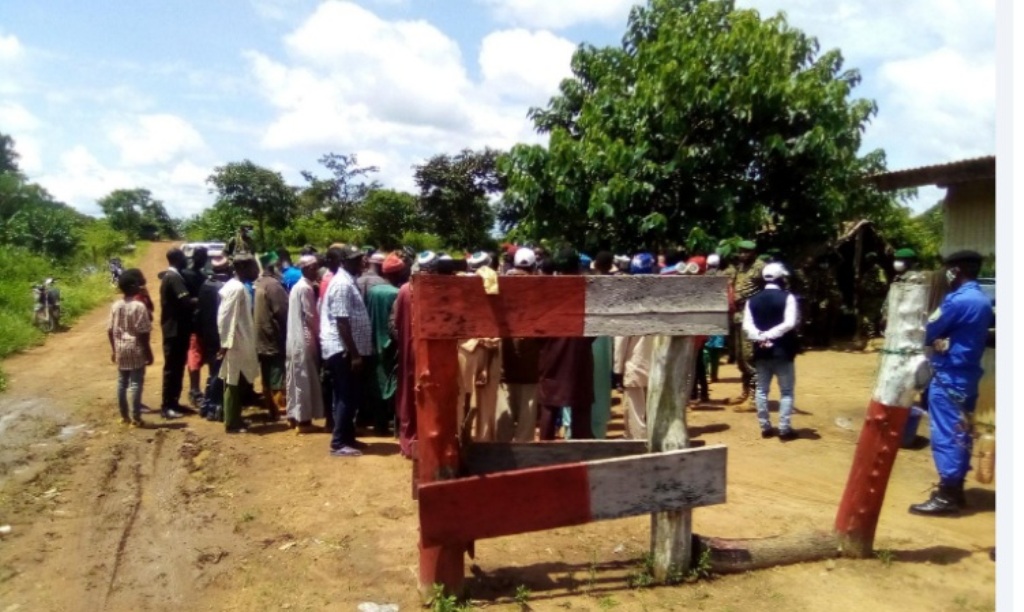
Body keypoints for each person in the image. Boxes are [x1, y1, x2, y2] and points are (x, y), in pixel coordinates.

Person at [909, 250, 994, 516]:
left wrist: (935, 339)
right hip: (967, 376)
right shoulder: (982, 300)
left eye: (947, 270)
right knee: (961, 432)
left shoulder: (957, 301)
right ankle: (955, 490)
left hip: (948, 377)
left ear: (955, 271)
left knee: (946, 434)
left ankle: (947, 495)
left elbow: (927, 332)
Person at [320, 245, 374, 457]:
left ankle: (348, 437)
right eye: (355, 259)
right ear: (344, 262)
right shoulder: (342, 284)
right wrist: (354, 354)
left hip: (348, 349)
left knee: (351, 395)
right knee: (346, 395)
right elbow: (342, 321)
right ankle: (339, 443)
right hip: (343, 350)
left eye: (360, 258)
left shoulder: (348, 280)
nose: (361, 262)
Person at [537, 248, 595, 441]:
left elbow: (536, 328)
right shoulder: (588, 289)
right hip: (580, 355)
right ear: (577, 266)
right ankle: (582, 452)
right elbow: (596, 328)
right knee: (581, 408)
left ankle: (544, 452)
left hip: (551, 354)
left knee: (549, 406)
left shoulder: (545, 291)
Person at [743, 262, 800, 440]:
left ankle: (765, 427)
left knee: (761, 390)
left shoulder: (752, 300)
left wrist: (761, 336)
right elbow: (790, 323)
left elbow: (747, 326)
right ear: (780, 278)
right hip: (783, 350)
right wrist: (771, 334)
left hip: (761, 351)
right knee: (786, 391)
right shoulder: (788, 298)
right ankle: (784, 428)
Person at [614, 253, 657, 439]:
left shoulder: (629, 302)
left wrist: (617, 369)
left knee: (636, 414)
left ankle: (638, 446)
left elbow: (621, 339)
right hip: (657, 366)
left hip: (635, 365)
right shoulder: (662, 300)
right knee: (654, 410)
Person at [217, 254, 261, 434]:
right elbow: (225, 317)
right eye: (253, 267)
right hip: (235, 341)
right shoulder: (235, 288)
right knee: (233, 380)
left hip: (242, 339)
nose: (256, 271)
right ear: (242, 268)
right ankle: (232, 421)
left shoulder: (238, 286)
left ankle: (235, 416)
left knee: (238, 379)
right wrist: (225, 343)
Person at [107, 268, 154, 427]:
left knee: (122, 383)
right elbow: (144, 332)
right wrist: (148, 352)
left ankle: (124, 416)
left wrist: (114, 350)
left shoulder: (116, 306)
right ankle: (136, 418)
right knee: (135, 384)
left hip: (120, 348)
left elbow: (109, 330)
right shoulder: (139, 306)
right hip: (136, 348)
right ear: (133, 286)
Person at [365, 253, 405, 436]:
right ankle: (396, 426)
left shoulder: (372, 292)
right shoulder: (395, 294)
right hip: (391, 345)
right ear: (397, 273)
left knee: (376, 383)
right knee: (394, 384)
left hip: (374, 343)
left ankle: (379, 425)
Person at [285, 254, 325, 432]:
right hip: (305, 338)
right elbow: (311, 316)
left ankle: (293, 416)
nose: (317, 271)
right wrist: (320, 334)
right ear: (307, 269)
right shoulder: (305, 288)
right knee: (304, 379)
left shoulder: (297, 287)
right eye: (314, 268)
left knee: (294, 378)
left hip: (293, 338)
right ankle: (303, 421)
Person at [159, 248, 196, 419]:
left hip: (178, 329)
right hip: (174, 330)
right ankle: (167, 406)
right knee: (172, 368)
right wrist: (204, 298)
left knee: (178, 366)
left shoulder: (173, 276)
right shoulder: (173, 277)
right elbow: (186, 301)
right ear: (177, 259)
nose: (185, 261)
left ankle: (174, 402)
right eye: (183, 258)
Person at [729, 240, 765, 410]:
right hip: (738, 316)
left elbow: (773, 288)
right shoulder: (740, 267)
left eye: (746, 252)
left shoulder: (760, 267)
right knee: (741, 358)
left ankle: (755, 398)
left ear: (754, 252)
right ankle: (745, 392)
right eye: (741, 251)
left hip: (752, 318)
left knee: (751, 357)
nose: (743, 254)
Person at [254, 251, 289, 422]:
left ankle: (272, 410)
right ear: (273, 267)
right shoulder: (274, 286)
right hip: (273, 338)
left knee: (267, 376)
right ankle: (280, 411)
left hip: (262, 338)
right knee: (277, 376)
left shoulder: (260, 283)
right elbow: (282, 312)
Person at [197, 255, 232, 421]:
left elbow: (199, 311)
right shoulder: (223, 288)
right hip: (220, 334)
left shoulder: (205, 285)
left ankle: (207, 405)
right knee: (220, 372)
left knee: (213, 370)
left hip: (207, 333)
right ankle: (214, 407)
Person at [589, 251, 615, 438]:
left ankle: (573, 432)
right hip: (606, 337)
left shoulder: (588, 284)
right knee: (602, 386)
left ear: (596, 265)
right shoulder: (616, 286)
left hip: (589, 337)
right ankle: (599, 435)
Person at [183, 246, 209, 409]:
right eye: (203, 257)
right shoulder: (187, 275)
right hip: (192, 322)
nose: (204, 260)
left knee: (199, 355)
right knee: (194, 356)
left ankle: (198, 390)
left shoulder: (201, 275)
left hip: (201, 322)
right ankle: (194, 391)